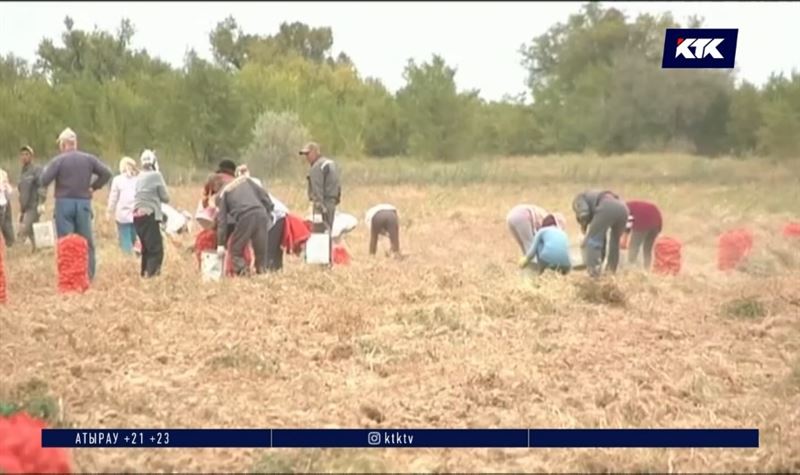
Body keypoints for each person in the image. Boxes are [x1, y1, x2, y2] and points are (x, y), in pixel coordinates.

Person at [39, 128, 112, 280]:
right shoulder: (89, 159)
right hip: (83, 202)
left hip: (64, 204)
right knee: (86, 241)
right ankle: (88, 276)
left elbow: (44, 179)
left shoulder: (59, 160)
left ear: (63, 144)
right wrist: (93, 187)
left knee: (66, 241)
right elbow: (107, 173)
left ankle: (70, 277)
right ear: (75, 143)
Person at [214, 173, 274, 276]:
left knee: (235, 250)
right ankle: (262, 274)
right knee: (260, 252)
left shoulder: (223, 194)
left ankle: (245, 274)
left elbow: (222, 222)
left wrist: (220, 244)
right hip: (261, 214)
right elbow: (264, 195)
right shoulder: (245, 180)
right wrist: (268, 210)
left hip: (245, 216)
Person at [235, 163, 288, 271]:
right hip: (277, 215)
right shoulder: (250, 183)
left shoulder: (252, 182)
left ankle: (271, 272)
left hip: (275, 216)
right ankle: (276, 271)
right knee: (273, 250)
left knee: (269, 250)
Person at [572, 190, 629, 278]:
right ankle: (610, 274)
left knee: (592, 241)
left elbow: (584, 213)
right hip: (623, 209)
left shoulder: (579, 198)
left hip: (607, 206)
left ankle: (594, 275)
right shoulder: (594, 196)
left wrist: (584, 227)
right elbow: (602, 239)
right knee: (614, 243)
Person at [132, 150, 170, 278]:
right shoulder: (156, 175)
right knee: (156, 249)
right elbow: (166, 197)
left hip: (137, 216)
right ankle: (152, 278)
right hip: (149, 214)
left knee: (146, 249)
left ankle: (144, 274)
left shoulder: (139, 176)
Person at [300, 142, 341, 233]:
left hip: (323, 204)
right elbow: (338, 184)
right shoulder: (331, 163)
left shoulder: (316, 167)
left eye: (308, 154)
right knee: (328, 231)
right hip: (332, 203)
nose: (306, 157)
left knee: (319, 233)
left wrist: (320, 207)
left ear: (315, 152)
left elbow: (316, 189)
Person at [106, 156, 139, 254]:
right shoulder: (138, 179)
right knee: (134, 237)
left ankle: (128, 259)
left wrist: (109, 211)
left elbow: (113, 197)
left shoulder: (117, 180)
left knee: (125, 239)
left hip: (122, 215)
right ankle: (136, 255)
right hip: (136, 213)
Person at [16, 146, 47, 251]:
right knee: (31, 230)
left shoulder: (36, 170)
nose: (24, 157)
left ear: (32, 156)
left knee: (24, 230)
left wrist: (41, 202)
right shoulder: (22, 173)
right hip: (25, 207)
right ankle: (38, 248)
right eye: (22, 154)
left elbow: (42, 185)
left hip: (34, 206)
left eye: (27, 154)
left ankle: (17, 253)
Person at [625, 200, 663, 270]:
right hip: (656, 224)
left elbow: (629, 221)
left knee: (634, 246)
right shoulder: (633, 205)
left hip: (642, 223)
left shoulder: (625, 207)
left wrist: (625, 235)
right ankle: (647, 268)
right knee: (647, 249)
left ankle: (630, 266)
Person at [0, 167, 15, 246]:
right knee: (6, 223)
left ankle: (9, 242)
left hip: (3, 202)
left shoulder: (2, 173)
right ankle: (10, 241)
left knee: (5, 223)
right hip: (4, 201)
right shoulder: (3, 173)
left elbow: (8, 189)